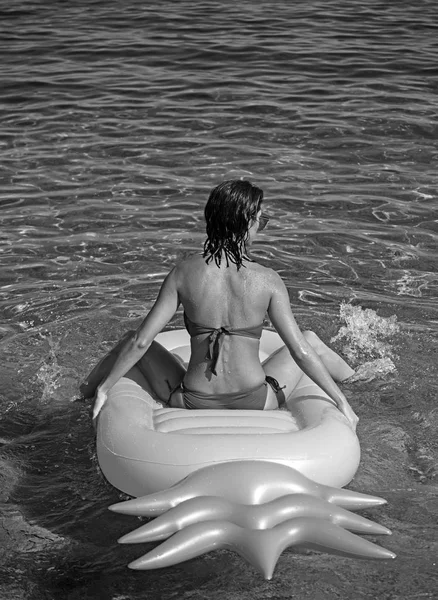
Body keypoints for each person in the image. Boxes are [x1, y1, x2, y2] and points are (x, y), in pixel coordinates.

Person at [83, 180, 358, 430]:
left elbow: (141, 342)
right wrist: (341, 401)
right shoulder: (268, 280)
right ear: (246, 222)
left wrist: (105, 389)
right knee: (310, 339)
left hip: (192, 400)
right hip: (256, 399)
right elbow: (300, 350)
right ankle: (361, 382)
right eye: (261, 221)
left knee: (129, 339)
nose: (260, 228)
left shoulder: (183, 273)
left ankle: (81, 393)